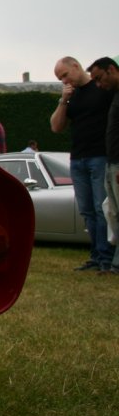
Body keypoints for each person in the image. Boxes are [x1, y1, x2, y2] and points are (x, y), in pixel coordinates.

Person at [51, 56, 114, 272]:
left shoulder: (102, 88)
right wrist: (63, 100)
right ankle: (96, 256)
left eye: (65, 75)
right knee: (87, 211)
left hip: (100, 157)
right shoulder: (72, 96)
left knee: (101, 208)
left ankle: (107, 257)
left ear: (76, 66)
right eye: (60, 79)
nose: (64, 81)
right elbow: (56, 127)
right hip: (77, 159)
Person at [87, 56, 119, 275]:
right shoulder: (114, 95)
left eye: (99, 78)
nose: (99, 85)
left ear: (112, 70)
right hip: (111, 162)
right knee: (114, 215)